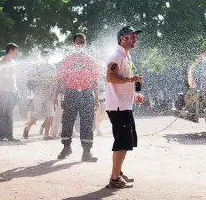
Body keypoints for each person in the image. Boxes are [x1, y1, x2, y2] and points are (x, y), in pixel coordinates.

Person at [105, 25, 144, 188]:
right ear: (123, 38)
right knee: (122, 141)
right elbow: (110, 77)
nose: (135, 38)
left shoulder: (125, 56)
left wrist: (134, 95)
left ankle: (118, 173)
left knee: (126, 141)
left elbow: (121, 79)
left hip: (124, 105)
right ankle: (114, 179)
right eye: (132, 36)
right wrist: (131, 80)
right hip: (118, 107)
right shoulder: (116, 55)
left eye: (136, 36)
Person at [57, 33, 100, 162]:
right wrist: (60, 96)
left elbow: (95, 80)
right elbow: (62, 80)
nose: (80, 45)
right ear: (73, 44)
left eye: (83, 43)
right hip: (71, 93)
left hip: (87, 93)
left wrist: (96, 98)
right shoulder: (67, 59)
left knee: (87, 123)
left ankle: (87, 152)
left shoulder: (90, 60)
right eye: (78, 43)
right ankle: (66, 147)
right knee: (67, 121)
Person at [23, 50, 57, 140]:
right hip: (38, 93)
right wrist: (35, 76)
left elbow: (55, 81)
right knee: (37, 115)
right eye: (43, 55)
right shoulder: (36, 66)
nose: (45, 57)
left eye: (46, 55)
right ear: (40, 56)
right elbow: (28, 76)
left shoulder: (52, 67)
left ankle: (46, 135)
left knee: (49, 115)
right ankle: (27, 128)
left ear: (49, 56)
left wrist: (53, 94)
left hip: (49, 94)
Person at [0, 43, 19, 142]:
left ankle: (10, 135)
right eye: (16, 50)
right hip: (3, 91)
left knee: (9, 114)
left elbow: (14, 78)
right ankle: (0, 136)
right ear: (10, 50)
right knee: (1, 114)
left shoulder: (13, 62)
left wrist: (17, 90)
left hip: (12, 91)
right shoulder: (1, 61)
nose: (17, 52)